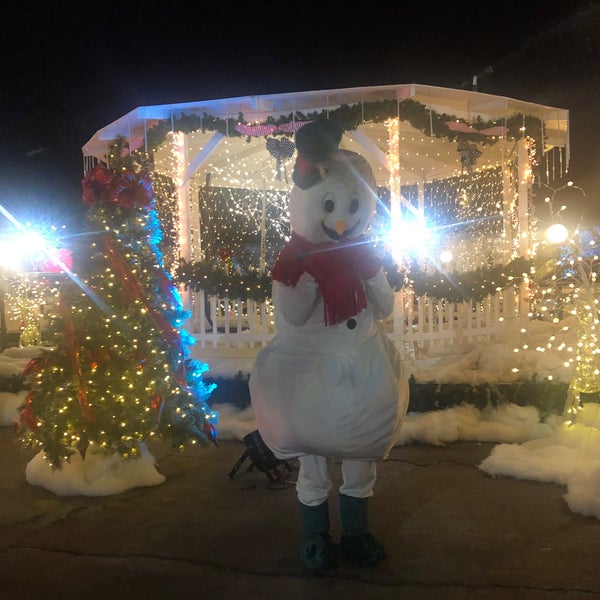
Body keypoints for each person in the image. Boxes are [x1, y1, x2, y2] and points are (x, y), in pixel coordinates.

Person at [249, 119, 409, 570]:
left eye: (353, 205)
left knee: (360, 462)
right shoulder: (293, 263)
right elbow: (294, 314)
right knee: (314, 464)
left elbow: (383, 307)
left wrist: (370, 270)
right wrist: (314, 273)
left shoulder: (365, 254)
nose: (340, 219)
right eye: (330, 205)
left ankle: (357, 533)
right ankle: (315, 537)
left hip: (360, 372)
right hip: (314, 377)